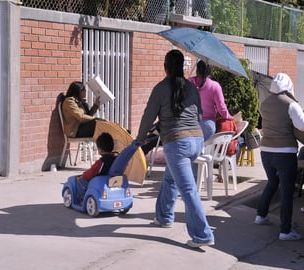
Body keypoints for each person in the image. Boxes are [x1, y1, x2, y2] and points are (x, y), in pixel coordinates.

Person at [136, 49, 214, 248]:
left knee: (188, 190)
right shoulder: (191, 87)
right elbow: (199, 115)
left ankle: (203, 235)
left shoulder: (161, 88)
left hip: (177, 143)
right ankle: (163, 217)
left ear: (166, 67)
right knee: (171, 178)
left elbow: (148, 115)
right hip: (196, 141)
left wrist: (140, 138)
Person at [254, 73, 304, 241]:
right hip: (285, 152)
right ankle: (285, 231)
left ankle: (261, 215)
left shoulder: (264, 103)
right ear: (289, 86)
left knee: (272, 183)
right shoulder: (291, 104)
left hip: (266, 151)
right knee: (287, 191)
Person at [189, 60, 233, 140]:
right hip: (207, 126)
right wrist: (230, 117)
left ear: (197, 70)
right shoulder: (215, 86)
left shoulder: (188, 83)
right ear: (210, 71)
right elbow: (221, 108)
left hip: (189, 125)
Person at [76, 132, 118, 203]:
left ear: (100, 150)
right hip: (112, 180)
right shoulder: (116, 158)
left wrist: (84, 175)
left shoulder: (101, 162)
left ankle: (82, 199)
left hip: (99, 181)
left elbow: (92, 172)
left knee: (81, 181)